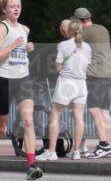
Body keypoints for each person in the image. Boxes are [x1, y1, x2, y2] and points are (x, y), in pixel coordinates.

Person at [0, 0, 40, 180]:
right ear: (5, 9)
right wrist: (13, 45)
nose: (16, 9)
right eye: (12, 6)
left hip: (23, 78)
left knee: (28, 120)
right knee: (2, 127)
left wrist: (27, 48)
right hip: (4, 79)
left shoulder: (24, 29)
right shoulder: (2, 29)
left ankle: (31, 165)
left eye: (18, 6)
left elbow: (22, 48)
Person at [39, 19, 91, 162]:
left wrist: (60, 68)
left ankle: (51, 151)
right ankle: (77, 151)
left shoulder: (63, 45)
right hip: (81, 84)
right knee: (79, 118)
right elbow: (87, 66)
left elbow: (58, 65)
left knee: (55, 115)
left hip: (66, 83)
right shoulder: (87, 47)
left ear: (69, 31)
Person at [73, 6, 111, 159]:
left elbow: (72, 43)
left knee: (94, 109)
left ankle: (103, 144)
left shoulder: (83, 33)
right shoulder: (103, 28)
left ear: (79, 21)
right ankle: (108, 146)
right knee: (105, 111)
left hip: (96, 74)